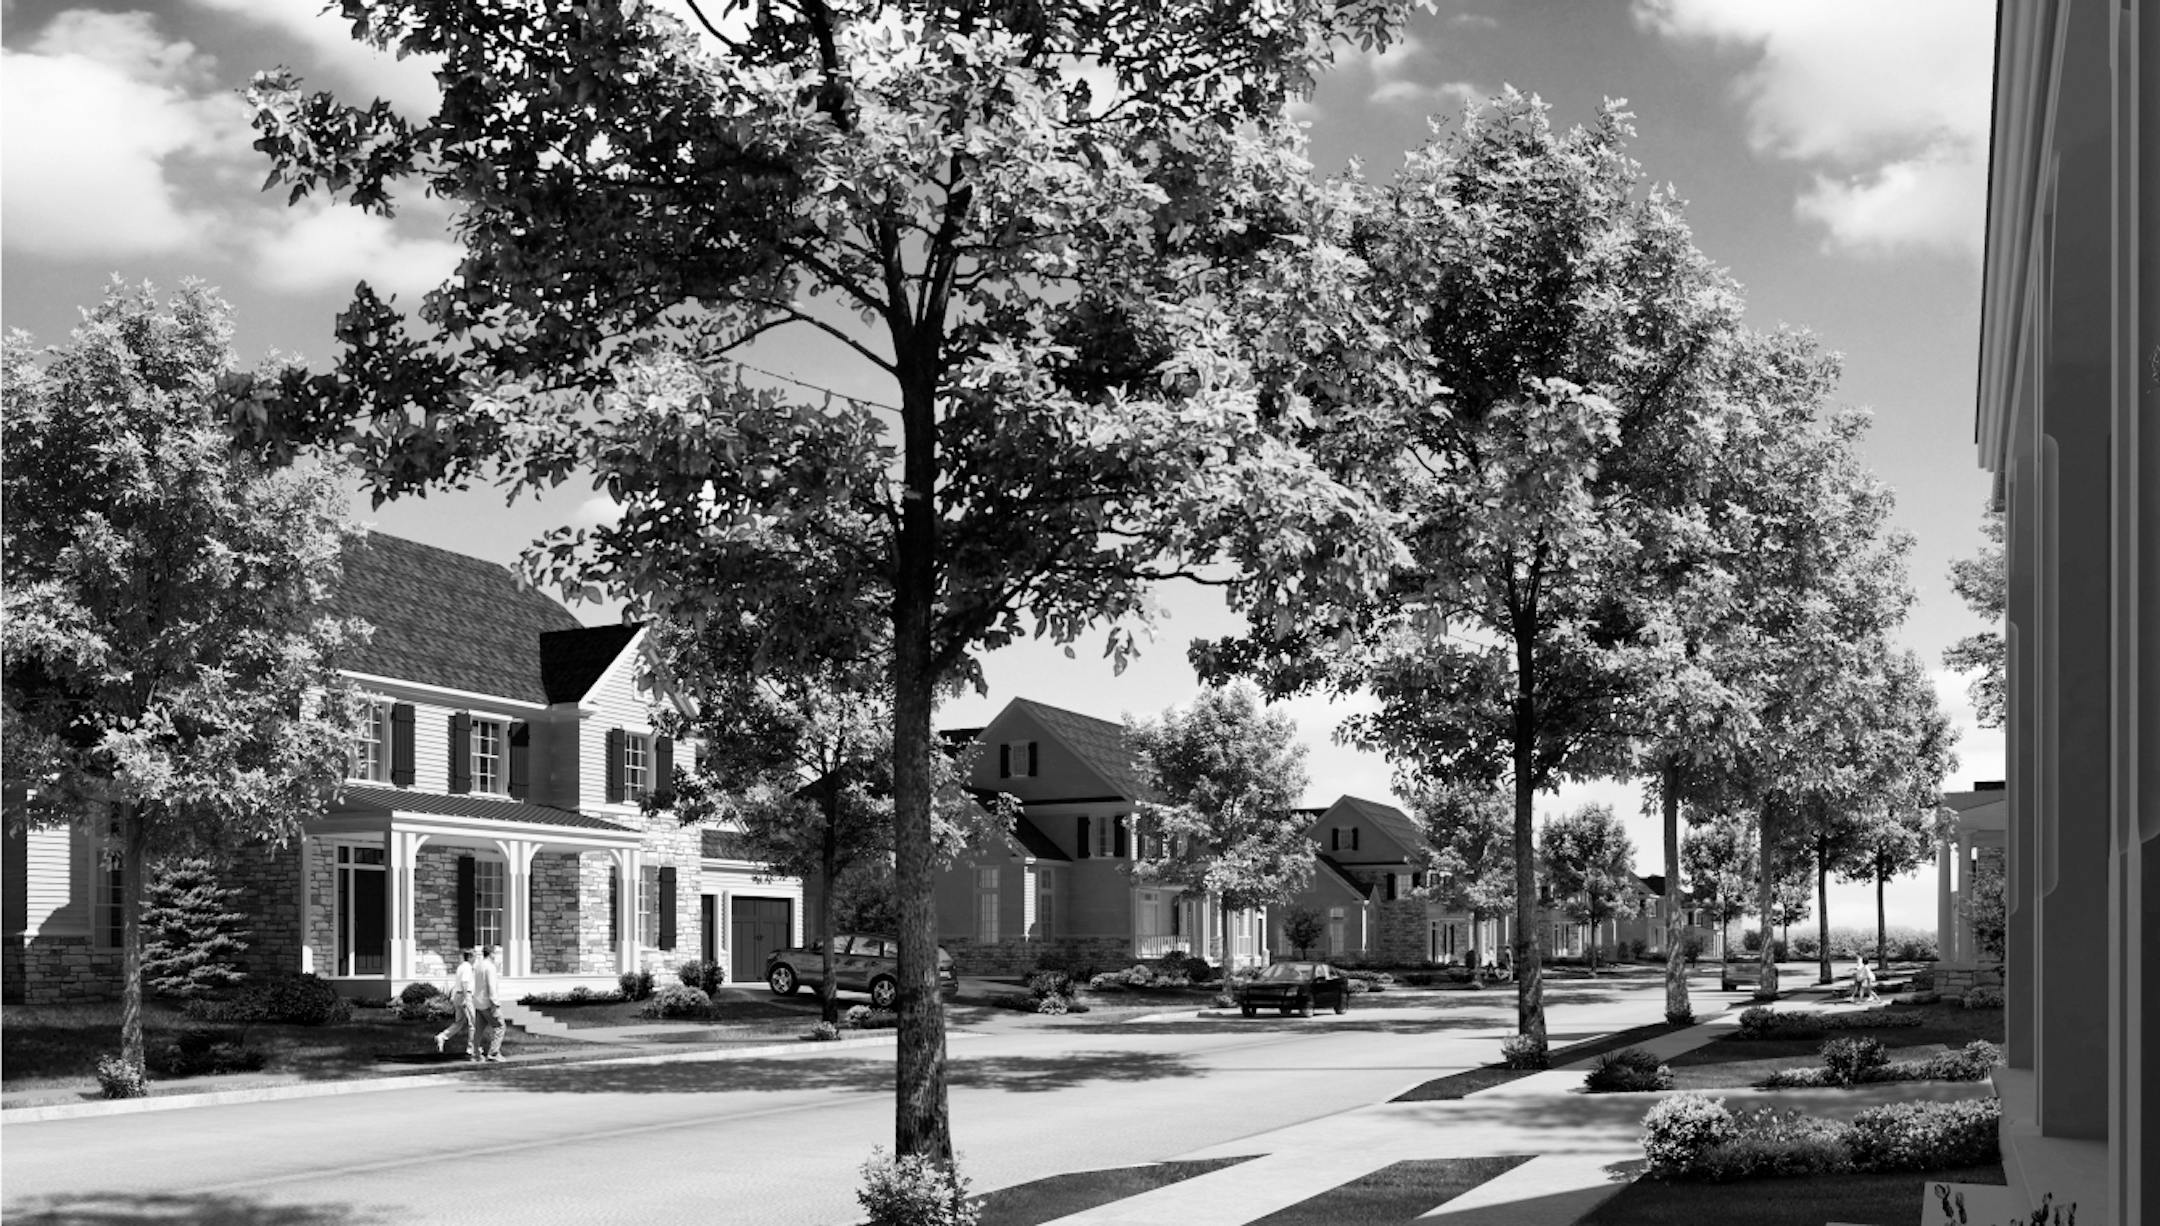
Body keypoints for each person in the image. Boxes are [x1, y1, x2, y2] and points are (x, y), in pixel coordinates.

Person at [435, 947, 478, 1059]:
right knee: (473, 1024)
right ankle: (471, 1049)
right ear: (469, 957)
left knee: (459, 1023)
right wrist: (466, 998)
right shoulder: (467, 967)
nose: (475, 958)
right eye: (474, 956)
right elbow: (464, 982)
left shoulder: (461, 967)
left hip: (457, 996)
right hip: (465, 996)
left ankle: (442, 1036)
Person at [473, 943, 504, 1062]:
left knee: (479, 1029)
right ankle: (493, 1053)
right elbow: (491, 986)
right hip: (487, 1002)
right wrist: (495, 1003)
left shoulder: (478, 965)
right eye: (495, 953)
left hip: (478, 1002)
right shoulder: (490, 967)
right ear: (491, 954)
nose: (495, 955)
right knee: (500, 1026)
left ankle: (475, 1053)